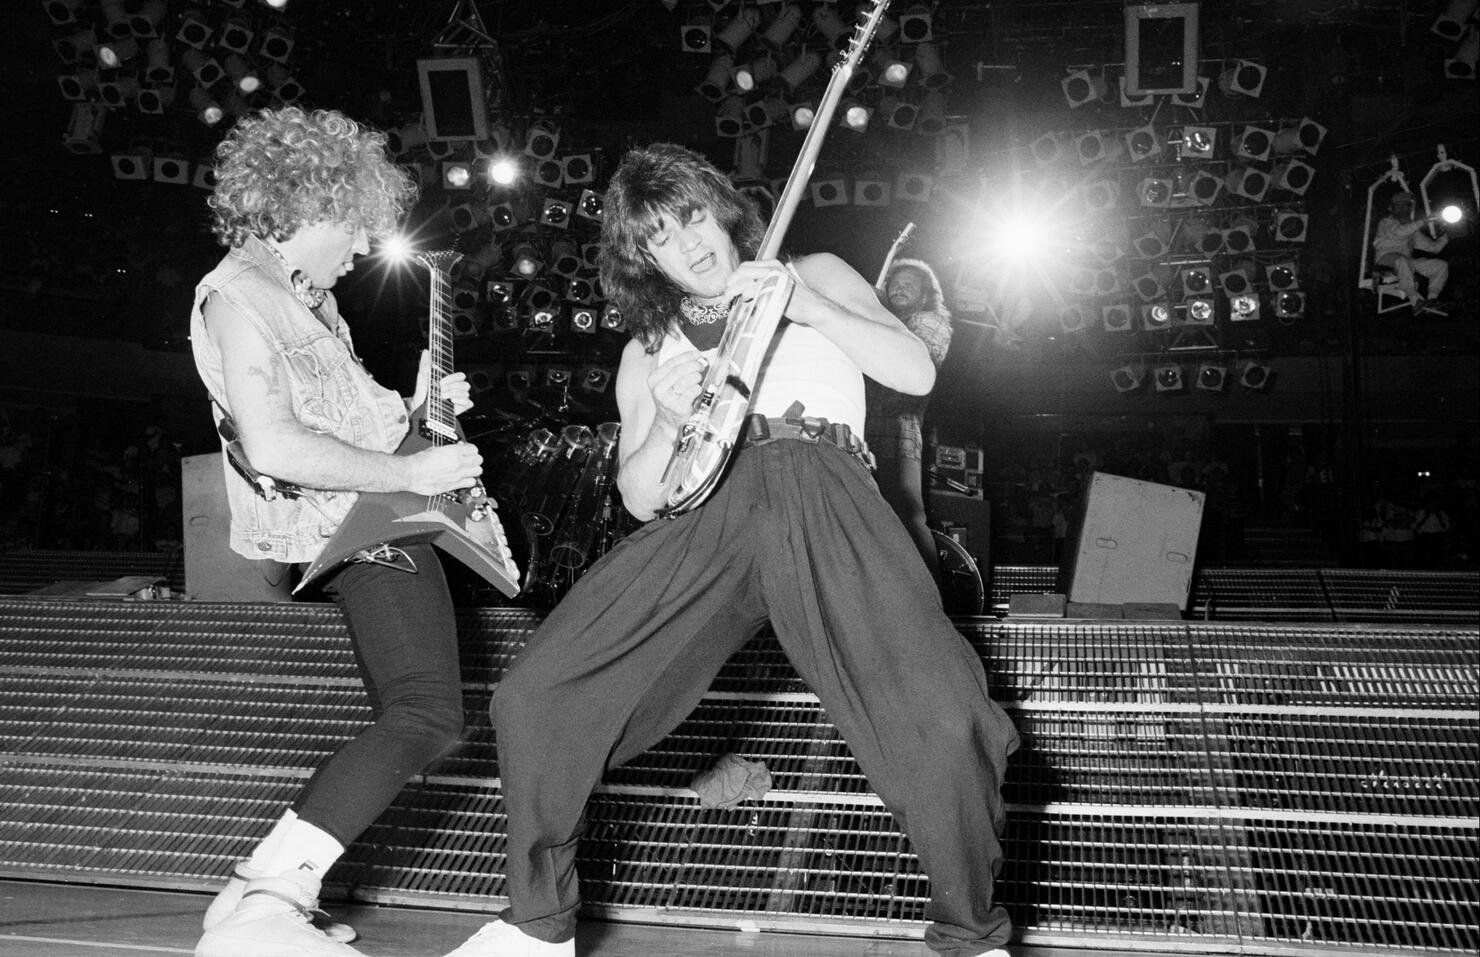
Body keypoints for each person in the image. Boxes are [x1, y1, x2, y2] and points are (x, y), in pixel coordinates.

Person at [444, 143, 1018, 957]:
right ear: (642, 259)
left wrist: (806, 308)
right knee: (536, 694)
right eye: (660, 238)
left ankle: (972, 934)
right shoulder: (647, 348)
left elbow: (913, 369)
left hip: (820, 480)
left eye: (691, 218)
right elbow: (642, 495)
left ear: (719, 209)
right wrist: (674, 420)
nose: (688, 244)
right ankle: (538, 927)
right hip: (706, 510)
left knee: (943, 714)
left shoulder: (809, 270)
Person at [189, 106, 484, 957]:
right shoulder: (240, 294)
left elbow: (346, 427)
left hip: (368, 516)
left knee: (418, 711)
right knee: (426, 713)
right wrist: (412, 473)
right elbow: (276, 442)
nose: (359, 249)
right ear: (312, 201)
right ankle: (267, 900)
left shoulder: (307, 302)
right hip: (354, 525)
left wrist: (421, 411)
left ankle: (256, 896)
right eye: (355, 228)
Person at [865, 258, 953, 579]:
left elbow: (914, 359)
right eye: (894, 284)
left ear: (925, 295)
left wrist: (872, 314)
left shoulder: (929, 321)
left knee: (908, 515)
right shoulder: (882, 320)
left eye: (909, 285)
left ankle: (935, 597)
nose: (899, 289)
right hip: (863, 435)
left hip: (897, 434)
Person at [1373, 191, 1450, 316]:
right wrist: (1423, 221)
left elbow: (1433, 248)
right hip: (1385, 260)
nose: (1403, 209)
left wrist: (1444, 235)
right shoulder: (1386, 223)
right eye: (1399, 206)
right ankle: (1415, 302)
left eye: (1406, 206)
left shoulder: (1413, 231)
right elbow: (1399, 233)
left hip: (1405, 263)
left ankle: (1432, 299)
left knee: (1441, 265)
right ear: (1392, 208)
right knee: (1401, 260)